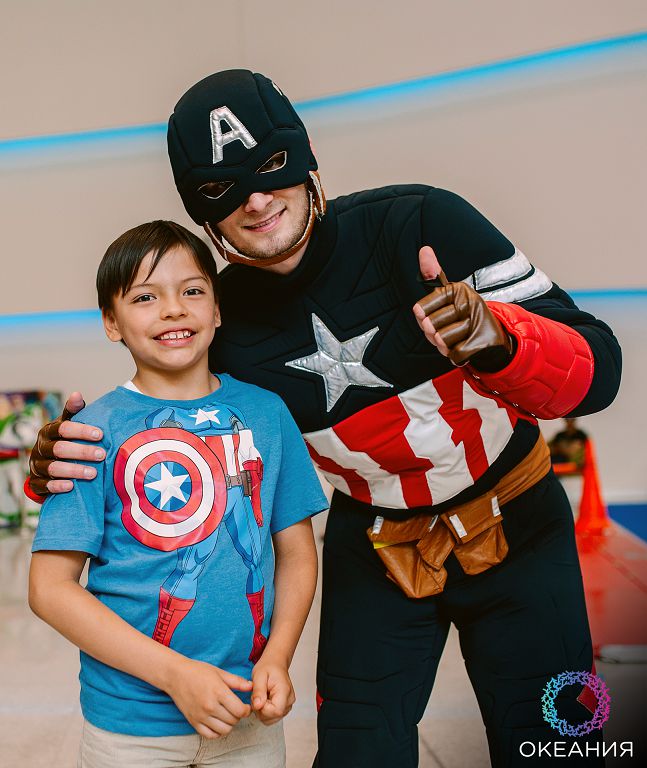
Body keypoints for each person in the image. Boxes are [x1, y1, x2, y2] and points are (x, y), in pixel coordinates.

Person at [27, 70, 622, 767]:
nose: (255, 199)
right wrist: (61, 461)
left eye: (271, 165)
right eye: (221, 189)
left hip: (519, 521)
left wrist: (504, 340)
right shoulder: (219, 316)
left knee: (560, 742)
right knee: (355, 752)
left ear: (305, 156)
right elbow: (162, 425)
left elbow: (599, 373)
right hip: (373, 542)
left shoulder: (423, 223)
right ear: (202, 211)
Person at [28, 220, 328, 768]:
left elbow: (297, 553)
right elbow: (50, 589)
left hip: (246, 712)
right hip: (131, 728)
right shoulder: (90, 433)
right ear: (111, 322)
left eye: (192, 291)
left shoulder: (267, 413)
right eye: (145, 297)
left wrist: (278, 657)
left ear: (217, 310)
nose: (173, 309)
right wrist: (175, 675)